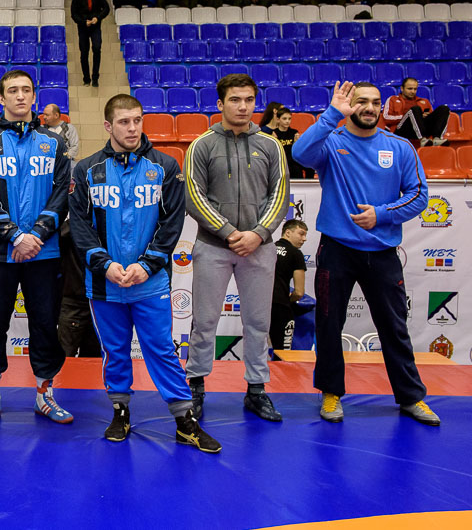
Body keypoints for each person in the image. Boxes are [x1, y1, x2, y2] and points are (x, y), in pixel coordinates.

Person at [69, 94, 222, 451]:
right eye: (124, 122)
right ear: (108, 126)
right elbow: (79, 225)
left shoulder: (165, 166)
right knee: (115, 351)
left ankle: (184, 420)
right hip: (105, 284)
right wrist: (104, 264)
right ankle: (120, 412)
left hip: (150, 282)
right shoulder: (87, 170)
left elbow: (172, 222)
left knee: (162, 349)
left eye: (137, 120)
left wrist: (146, 265)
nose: (133, 128)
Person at [292, 81, 440, 426]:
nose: (370, 108)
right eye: (361, 101)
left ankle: (411, 397)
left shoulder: (400, 147)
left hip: (383, 252)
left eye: (375, 102)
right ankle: (330, 393)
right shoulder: (331, 142)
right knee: (329, 324)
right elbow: (299, 153)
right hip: (337, 250)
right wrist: (332, 114)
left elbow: (419, 195)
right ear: (350, 106)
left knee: (394, 327)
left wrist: (382, 214)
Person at [0, 69, 71, 427]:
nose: (20, 96)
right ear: (1, 98)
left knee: (44, 324)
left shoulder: (55, 144)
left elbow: (62, 195)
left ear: (34, 97)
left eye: (26, 90)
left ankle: (44, 394)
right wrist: (16, 237)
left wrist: (36, 235)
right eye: (12, 90)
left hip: (45, 253)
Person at [184, 73, 288, 422]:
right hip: (213, 247)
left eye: (248, 100)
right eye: (235, 100)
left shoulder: (271, 145)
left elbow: (280, 194)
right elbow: (193, 196)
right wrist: (230, 233)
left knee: (258, 322)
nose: (243, 106)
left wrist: (258, 234)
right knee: (204, 321)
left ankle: (256, 389)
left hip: (260, 247)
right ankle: (196, 387)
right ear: (220, 104)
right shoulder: (201, 145)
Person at [56, 220, 98, 358]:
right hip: (73, 301)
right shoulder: (71, 226)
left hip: (101, 302)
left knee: (94, 361)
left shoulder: (112, 226)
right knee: (63, 359)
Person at [269, 220, 307, 353]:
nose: (304, 239)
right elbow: (299, 292)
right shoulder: (295, 253)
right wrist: (287, 299)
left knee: (257, 350)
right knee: (283, 353)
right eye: (301, 234)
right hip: (280, 307)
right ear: (288, 232)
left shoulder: (268, 249)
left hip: (259, 305)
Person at [380, 77, 449, 146]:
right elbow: (386, 117)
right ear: (402, 88)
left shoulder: (424, 101)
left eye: (415, 89)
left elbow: (433, 119)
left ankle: (437, 138)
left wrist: (424, 117)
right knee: (415, 109)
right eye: (410, 89)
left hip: (421, 128)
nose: (413, 91)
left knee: (444, 108)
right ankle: (422, 139)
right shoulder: (393, 99)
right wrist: (407, 115)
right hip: (402, 130)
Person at [70, 0, 110, 87]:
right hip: (83, 27)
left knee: (97, 48)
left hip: (95, 26)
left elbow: (106, 9)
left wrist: (98, 18)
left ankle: (95, 77)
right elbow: (73, 14)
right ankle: (86, 79)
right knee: (84, 52)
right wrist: (83, 22)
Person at [271, 107, 312, 178]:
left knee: (310, 167)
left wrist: (296, 142)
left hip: (293, 159)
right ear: (278, 119)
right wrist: (274, 141)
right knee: (295, 169)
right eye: (284, 119)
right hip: (282, 160)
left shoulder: (294, 132)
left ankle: (308, 184)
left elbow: (297, 151)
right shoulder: (274, 133)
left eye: (289, 119)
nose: (287, 121)